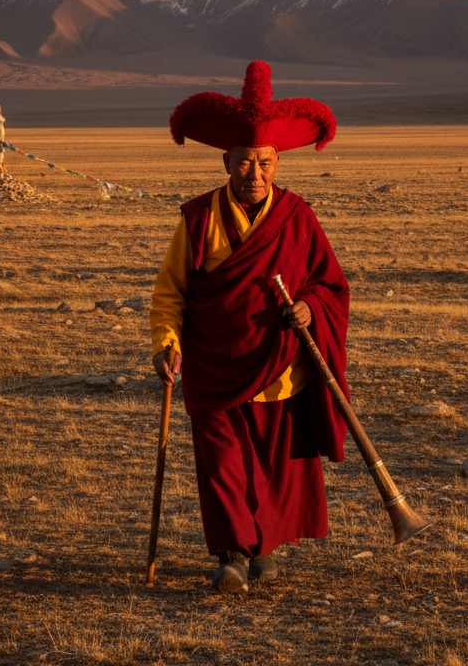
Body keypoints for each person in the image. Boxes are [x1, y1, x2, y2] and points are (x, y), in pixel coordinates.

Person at [150, 60, 350, 593]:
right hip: (214, 366)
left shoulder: (298, 216)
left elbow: (329, 284)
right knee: (221, 465)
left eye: (264, 163)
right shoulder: (197, 219)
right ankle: (232, 555)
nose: (254, 175)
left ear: (277, 162)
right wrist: (166, 344)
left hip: (281, 369)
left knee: (273, 468)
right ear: (226, 162)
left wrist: (309, 307)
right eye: (244, 163)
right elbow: (172, 292)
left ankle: (264, 548)